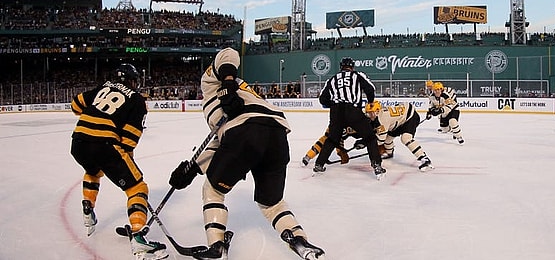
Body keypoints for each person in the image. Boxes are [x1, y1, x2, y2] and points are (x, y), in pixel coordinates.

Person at [167, 48, 324, 260]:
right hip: (276, 136)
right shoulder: (246, 93)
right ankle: (299, 240)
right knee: (272, 203)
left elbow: (228, 54)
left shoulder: (211, 84)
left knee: (213, 191)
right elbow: (222, 141)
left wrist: (228, 85)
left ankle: (216, 246)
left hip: (245, 132)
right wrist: (193, 168)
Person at [69, 63, 169, 260]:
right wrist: (126, 162)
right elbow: (129, 139)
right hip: (104, 144)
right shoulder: (137, 100)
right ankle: (139, 240)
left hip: (78, 142)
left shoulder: (103, 88)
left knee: (94, 172)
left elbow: (75, 105)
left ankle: (88, 208)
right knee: (137, 187)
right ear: (132, 81)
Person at [312, 56, 385, 179]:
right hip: (353, 110)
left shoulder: (332, 79)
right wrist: (370, 102)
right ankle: (377, 165)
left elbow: (322, 99)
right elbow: (370, 89)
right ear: (352, 67)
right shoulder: (357, 75)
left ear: (341, 67)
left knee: (332, 139)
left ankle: (319, 164)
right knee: (370, 137)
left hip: (336, 112)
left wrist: (334, 105)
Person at [364, 100, 433, 171]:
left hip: (410, 117)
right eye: (369, 113)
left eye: (372, 113)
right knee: (388, 140)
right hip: (398, 121)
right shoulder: (380, 115)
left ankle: (424, 159)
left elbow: (380, 140)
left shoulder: (383, 119)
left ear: (378, 111)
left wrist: (365, 143)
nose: (371, 115)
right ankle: (389, 153)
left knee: (406, 138)